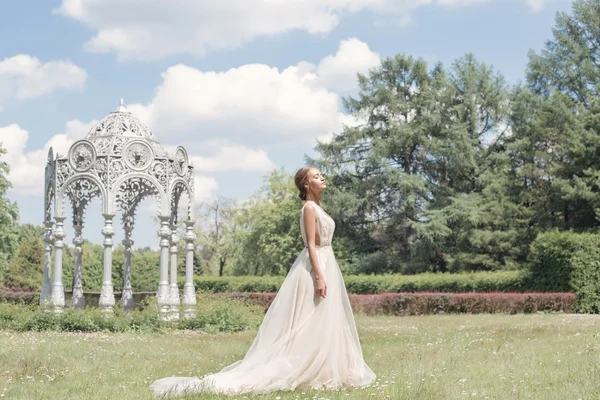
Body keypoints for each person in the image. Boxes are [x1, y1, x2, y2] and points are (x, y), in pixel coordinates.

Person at [150, 166, 376, 397]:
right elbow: (310, 245)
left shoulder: (318, 207)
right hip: (316, 264)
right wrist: (319, 276)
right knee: (309, 318)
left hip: (328, 260)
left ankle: (327, 369)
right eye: (316, 176)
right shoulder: (309, 208)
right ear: (306, 185)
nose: (322, 177)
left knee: (325, 318)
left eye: (321, 175)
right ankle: (303, 368)